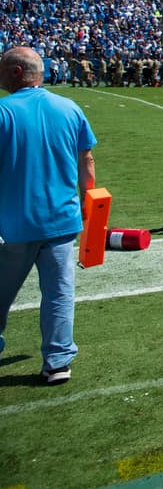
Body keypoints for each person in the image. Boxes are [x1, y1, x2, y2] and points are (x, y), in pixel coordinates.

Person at [0, 46, 97, 385]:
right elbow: (86, 162)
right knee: (59, 293)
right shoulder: (69, 107)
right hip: (62, 218)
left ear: (15, 72)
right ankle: (57, 360)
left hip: (13, 223)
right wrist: (91, 208)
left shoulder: (2, 111)